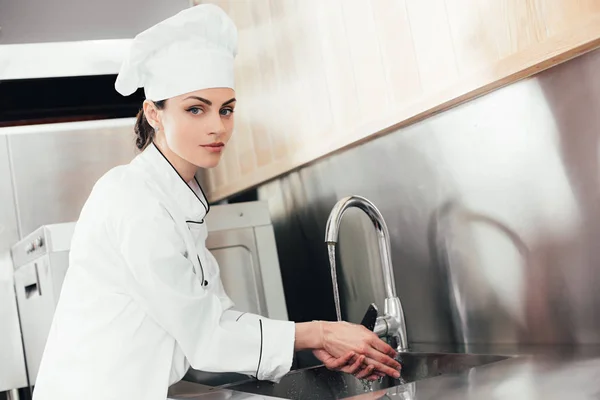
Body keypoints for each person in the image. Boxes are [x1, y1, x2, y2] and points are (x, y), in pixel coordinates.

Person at [32, 5, 401, 400]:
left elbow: (216, 317)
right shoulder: (133, 200)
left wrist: (312, 341)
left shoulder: (180, 198)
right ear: (153, 114)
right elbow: (206, 337)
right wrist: (320, 332)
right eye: (196, 109)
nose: (217, 127)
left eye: (226, 110)